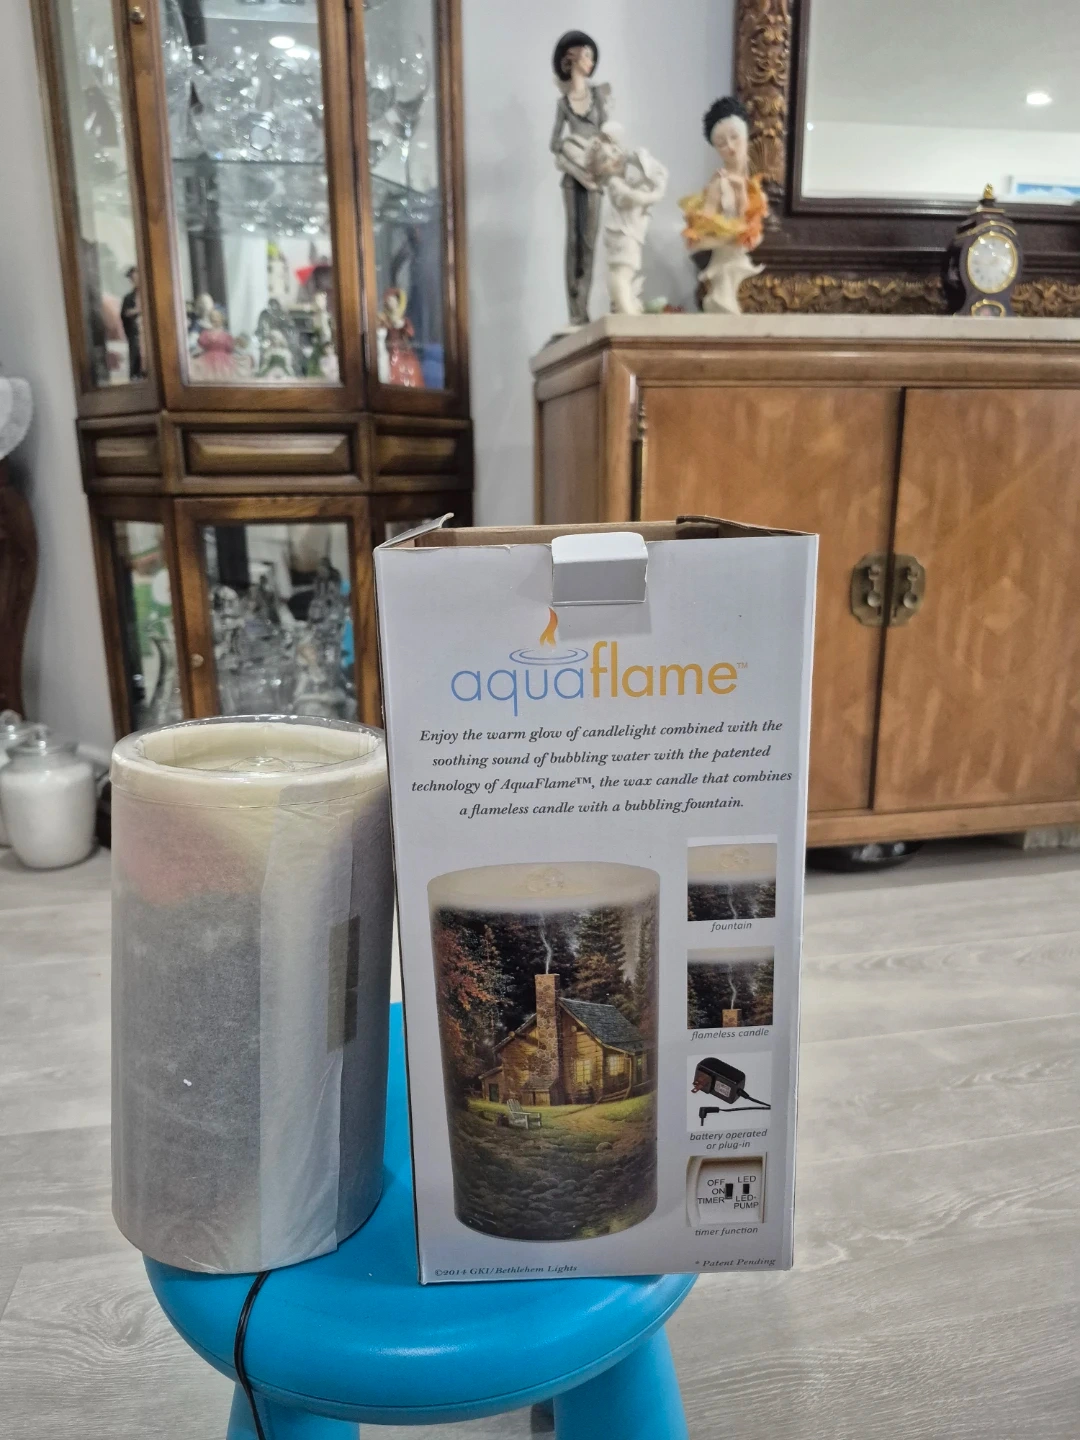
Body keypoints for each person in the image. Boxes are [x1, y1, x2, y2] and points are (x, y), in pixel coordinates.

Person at [679, 97, 768, 314]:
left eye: (734, 137)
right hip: (724, 259)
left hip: (737, 256)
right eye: (721, 143)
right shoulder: (719, 184)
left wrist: (741, 192)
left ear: (746, 136)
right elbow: (701, 229)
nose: (730, 147)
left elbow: (750, 225)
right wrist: (727, 236)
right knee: (722, 302)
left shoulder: (753, 185)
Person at [549, 30, 610, 327]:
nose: (590, 61)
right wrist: (572, 149)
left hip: (594, 178)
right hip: (573, 177)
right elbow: (554, 142)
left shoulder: (598, 96)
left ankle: (583, 305)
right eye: (586, 55)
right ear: (571, 58)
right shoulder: (564, 104)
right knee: (572, 240)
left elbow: (608, 133)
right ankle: (574, 311)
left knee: (589, 241)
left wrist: (600, 156)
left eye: (591, 57)